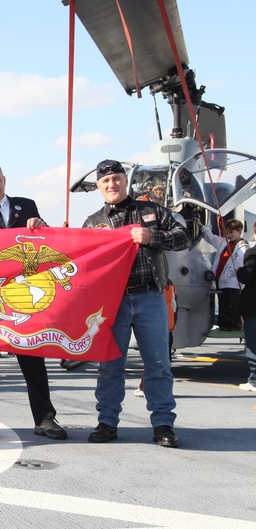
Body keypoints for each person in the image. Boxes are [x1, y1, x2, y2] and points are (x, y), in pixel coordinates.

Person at [82, 159, 190, 448]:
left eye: (116, 178)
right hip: (112, 304)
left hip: (150, 297)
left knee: (158, 364)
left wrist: (152, 236)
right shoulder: (93, 223)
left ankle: (163, 424)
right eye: (105, 181)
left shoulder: (151, 211)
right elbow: (80, 262)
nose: (112, 184)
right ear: (98, 187)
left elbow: (184, 237)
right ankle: (107, 422)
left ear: (125, 181)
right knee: (109, 366)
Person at [0, 161, 67, 441]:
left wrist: (41, 226)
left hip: (25, 299)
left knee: (32, 358)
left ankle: (45, 417)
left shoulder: (27, 207)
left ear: (5, 180)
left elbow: (46, 244)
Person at [201, 219, 247, 331]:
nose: (229, 235)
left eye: (231, 233)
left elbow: (238, 263)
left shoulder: (243, 247)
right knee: (223, 303)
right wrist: (202, 227)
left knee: (234, 305)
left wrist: (229, 275)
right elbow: (211, 238)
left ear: (239, 231)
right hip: (221, 280)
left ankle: (235, 324)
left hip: (233, 282)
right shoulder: (224, 243)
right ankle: (224, 324)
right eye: (227, 233)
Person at [237, 222, 256, 393]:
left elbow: (247, 277)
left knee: (253, 344)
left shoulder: (252, 252)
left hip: (253, 305)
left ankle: (254, 380)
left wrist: (239, 271)